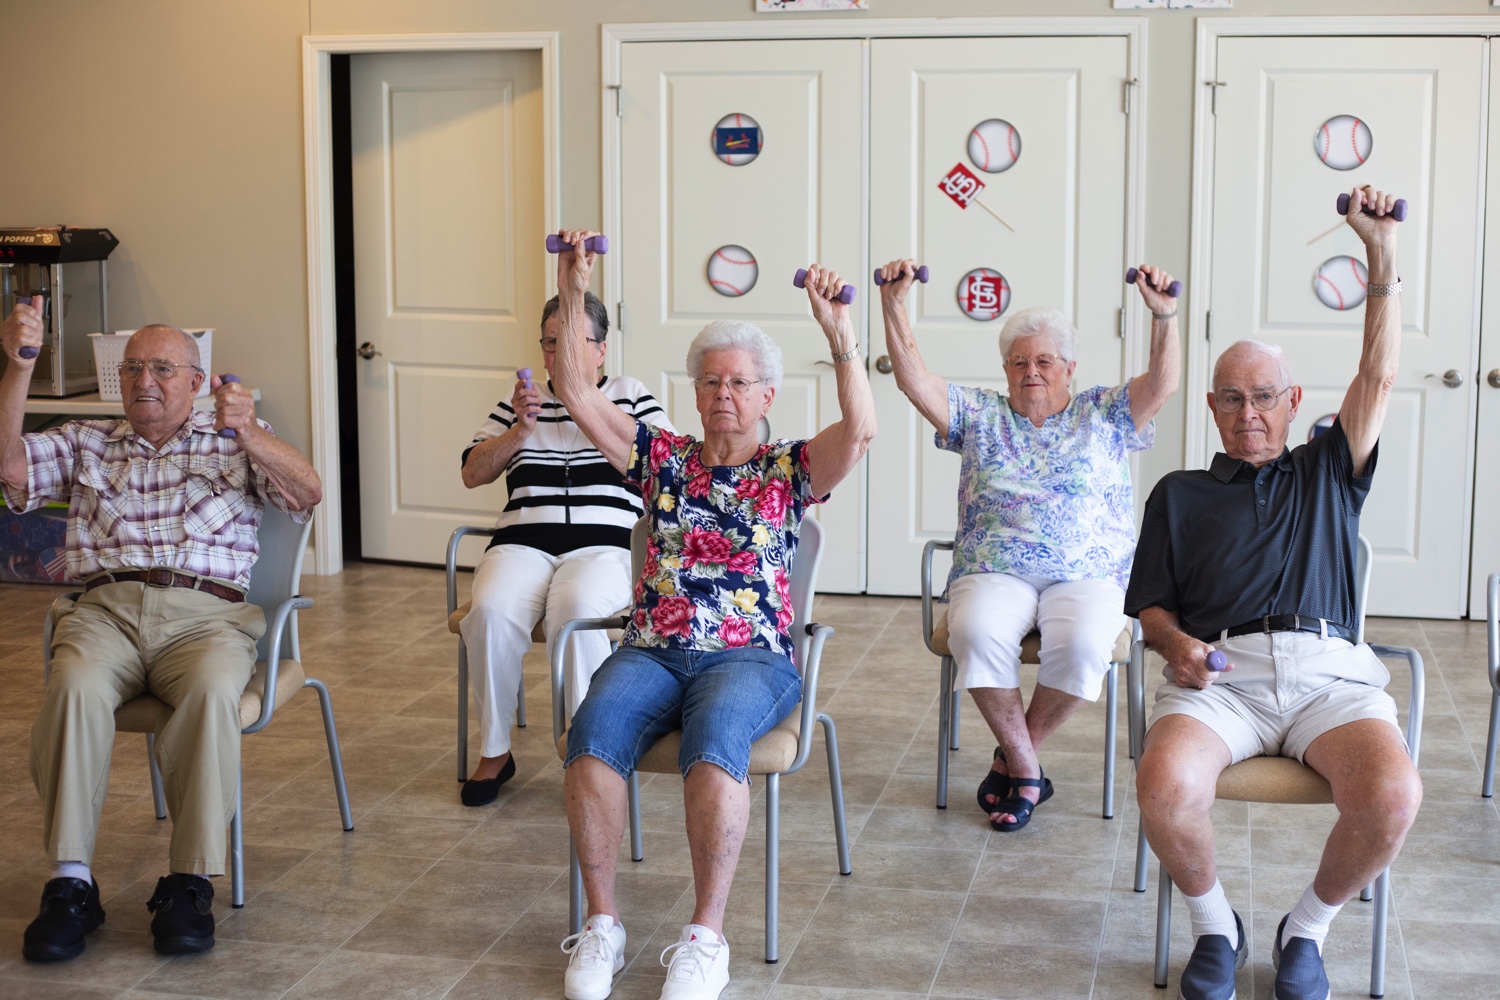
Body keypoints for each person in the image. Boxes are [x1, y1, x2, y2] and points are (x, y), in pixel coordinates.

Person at [549, 231, 875, 1000]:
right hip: (653, 647)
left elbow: (859, 431)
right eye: (710, 381)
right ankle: (603, 925)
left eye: (740, 382)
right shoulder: (661, 457)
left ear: (766, 396)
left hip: (748, 658)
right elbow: (575, 394)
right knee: (591, 737)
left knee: (714, 745)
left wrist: (841, 339)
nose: (723, 394)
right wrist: (571, 290)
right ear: (694, 394)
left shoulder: (789, 469)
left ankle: (705, 937)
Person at [1125, 187, 1419, 1000]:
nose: (1247, 413)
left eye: (1263, 397)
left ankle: (1307, 929)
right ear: (1212, 406)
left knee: (1392, 797)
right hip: (1224, 677)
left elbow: (1381, 371)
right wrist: (1175, 643)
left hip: (1330, 674)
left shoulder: (1328, 468)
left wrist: (1380, 253)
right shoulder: (1179, 495)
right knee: (1164, 786)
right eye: (1230, 397)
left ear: (1294, 405)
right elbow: (1150, 606)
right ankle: (1216, 925)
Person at [0, 310, 321, 961]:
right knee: (73, 687)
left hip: (207, 620)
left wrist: (251, 431)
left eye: (162, 368)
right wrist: (19, 366)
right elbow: (8, 469)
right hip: (104, 614)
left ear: (196, 382)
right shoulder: (87, 439)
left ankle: (187, 882)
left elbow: (309, 491)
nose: (145, 380)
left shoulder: (232, 439)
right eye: (133, 368)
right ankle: (70, 885)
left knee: (209, 696)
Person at [877, 258, 1180, 831]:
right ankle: (1027, 767)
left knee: (1088, 642)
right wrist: (894, 304)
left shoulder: (1105, 413)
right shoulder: (980, 415)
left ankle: (1015, 761)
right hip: (994, 567)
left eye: (1044, 361)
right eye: (1019, 362)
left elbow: (1163, 384)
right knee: (973, 630)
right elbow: (914, 380)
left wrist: (1163, 317)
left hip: (1088, 572)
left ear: (1069, 368)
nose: (1031, 371)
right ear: (1005, 369)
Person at [457, 292, 673, 806]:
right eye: (551, 344)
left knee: (576, 611)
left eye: (574, 343)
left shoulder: (629, 393)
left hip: (604, 547)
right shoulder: (520, 403)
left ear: (601, 350)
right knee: (488, 609)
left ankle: (589, 750)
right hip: (521, 542)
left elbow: (666, 470)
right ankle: (494, 751)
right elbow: (472, 473)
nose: (561, 355)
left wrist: (588, 408)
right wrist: (519, 432)